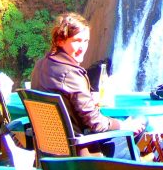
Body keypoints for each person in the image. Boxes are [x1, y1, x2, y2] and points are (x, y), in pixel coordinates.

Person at [31, 12, 145, 158]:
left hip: (51, 152)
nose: (82, 47)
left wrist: (88, 98)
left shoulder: (40, 65)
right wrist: (124, 126)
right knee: (140, 121)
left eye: (86, 41)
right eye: (77, 40)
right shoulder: (70, 74)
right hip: (82, 152)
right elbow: (96, 124)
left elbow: (66, 99)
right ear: (60, 40)